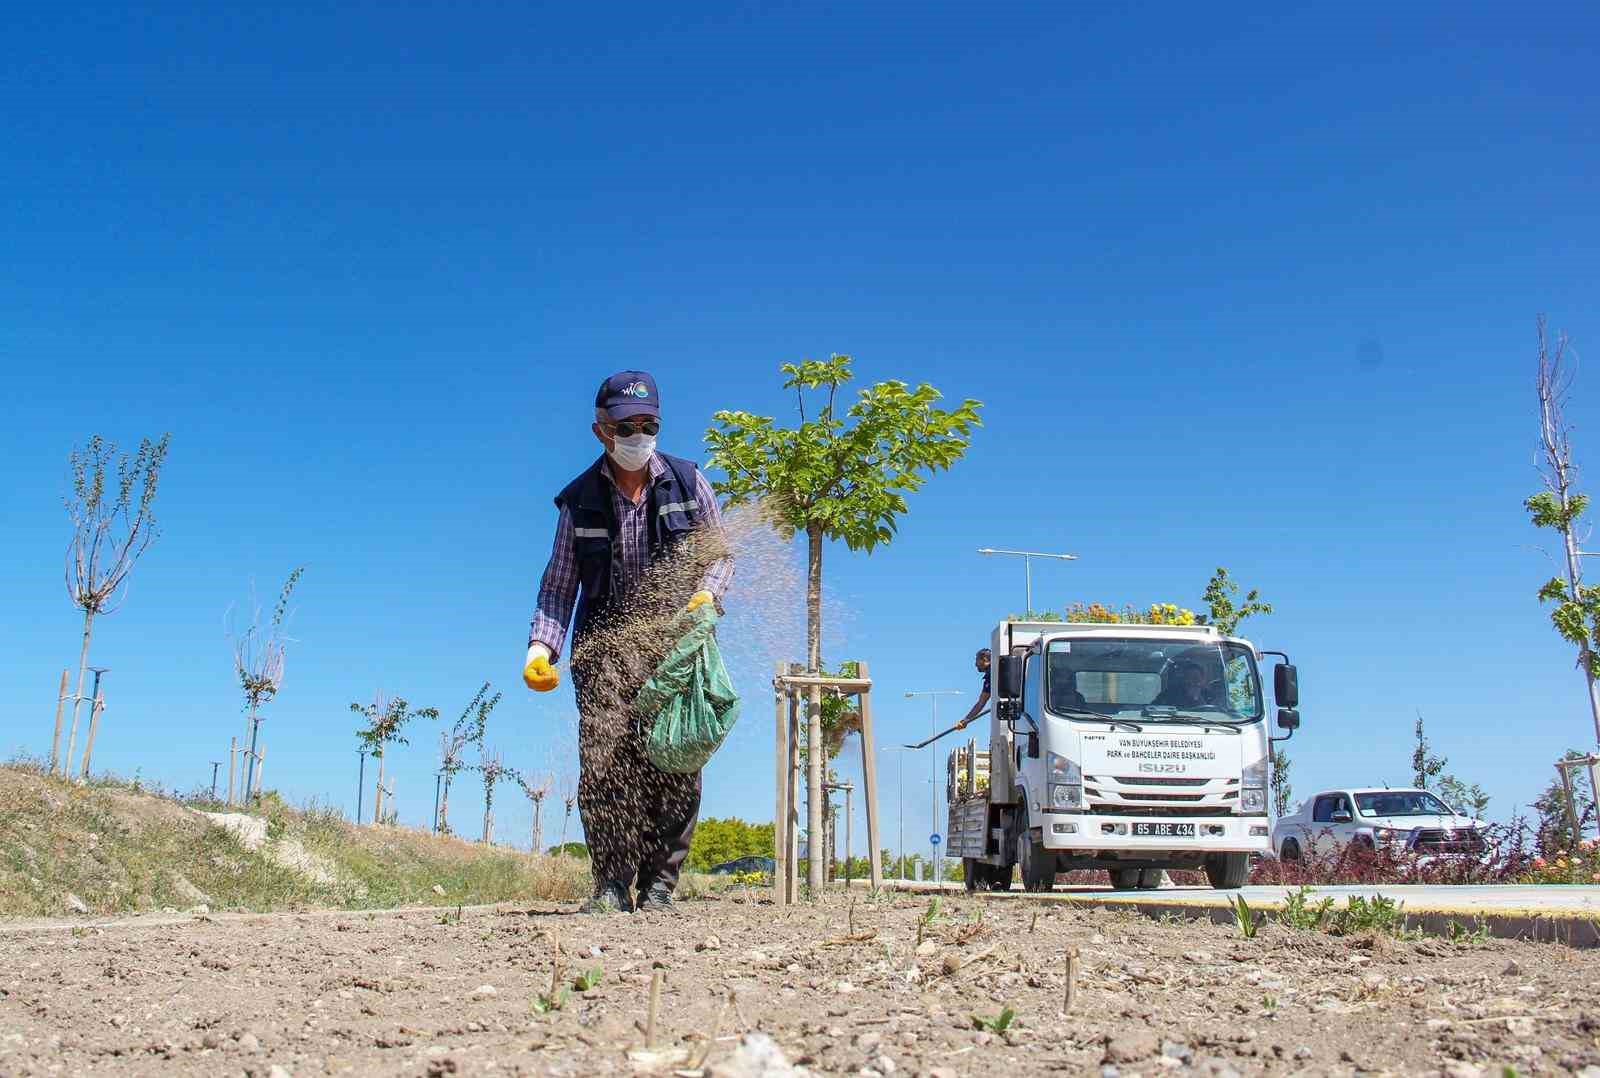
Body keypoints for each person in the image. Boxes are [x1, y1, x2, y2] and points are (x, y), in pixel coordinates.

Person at [523, 371, 732, 915]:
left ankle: (661, 882)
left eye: (649, 424)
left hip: (676, 642)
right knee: (605, 758)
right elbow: (557, 584)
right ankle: (612, 883)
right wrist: (540, 648)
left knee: (675, 755)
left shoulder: (689, 482)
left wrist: (707, 596)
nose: (639, 434)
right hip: (604, 646)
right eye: (626, 425)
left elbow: (721, 554)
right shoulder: (579, 500)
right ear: (601, 431)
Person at [955, 648, 991, 730]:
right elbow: (981, 702)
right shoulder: (991, 675)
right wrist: (966, 720)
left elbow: (981, 703)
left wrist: (966, 720)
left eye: (977, 661)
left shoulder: (992, 674)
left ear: (985, 660)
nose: (975, 664)